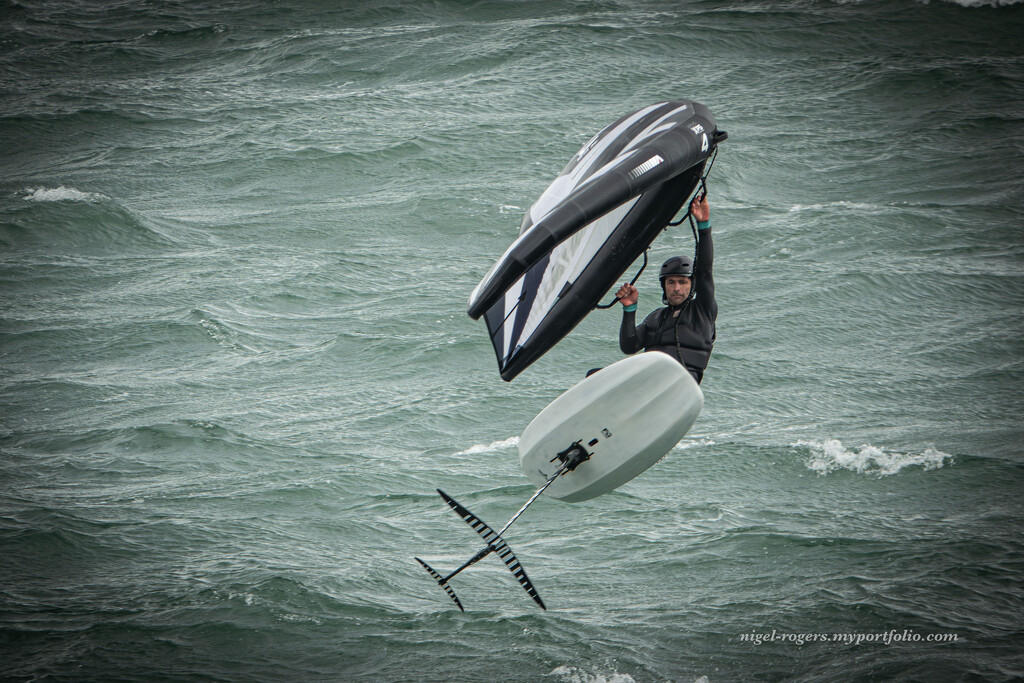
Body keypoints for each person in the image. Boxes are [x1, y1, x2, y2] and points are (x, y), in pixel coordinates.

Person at [616, 194, 717, 384]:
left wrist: (704, 226)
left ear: (691, 285)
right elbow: (629, 346)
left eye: (682, 282)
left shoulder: (702, 311)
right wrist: (629, 309)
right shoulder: (656, 317)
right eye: (671, 282)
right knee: (594, 374)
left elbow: (704, 271)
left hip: (681, 384)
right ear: (664, 286)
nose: (676, 288)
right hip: (649, 381)